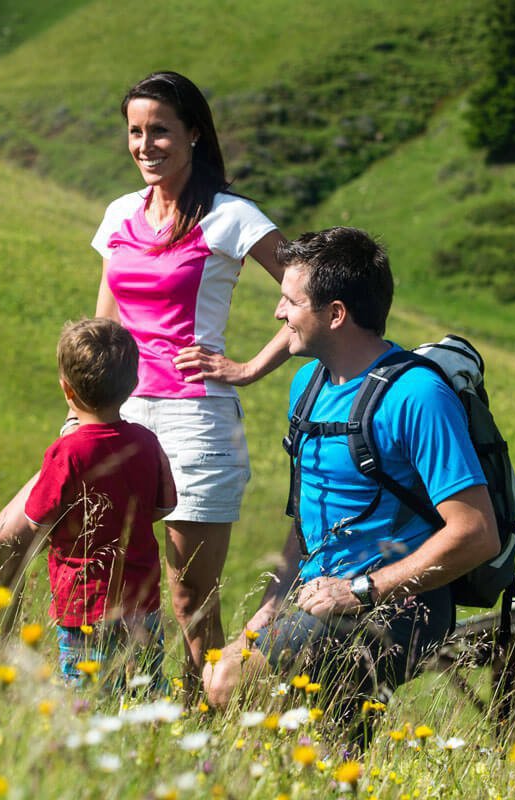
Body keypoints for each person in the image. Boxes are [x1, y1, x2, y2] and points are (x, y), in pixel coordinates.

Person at [0, 71, 292, 680]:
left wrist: (247, 367)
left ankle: (210, 729)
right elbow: (104, 325)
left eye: (160, 131)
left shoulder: (231, 217)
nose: (145, 145)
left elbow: (313, 294)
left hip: (196, 422)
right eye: (135, 131)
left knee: (190, 601)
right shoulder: (121, 213)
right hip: (110, 419)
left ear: (195, 133)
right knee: (1, 544)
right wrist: (77, 415)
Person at [201, 228, 499, 733]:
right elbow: (309, 521)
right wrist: (266, 614)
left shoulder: (417, 396)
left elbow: (476, 533)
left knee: (227, 679)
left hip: (401, 606)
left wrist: (361, 590)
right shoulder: (308, 383)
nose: (278, 314)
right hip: (320, 597)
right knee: (330, 747)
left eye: (290, 302)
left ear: (336, 314)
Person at [0, 319, 175, 688]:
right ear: (132, 386)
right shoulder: (146, 441)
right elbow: (164, 507)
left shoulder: (67, 452)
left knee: (85, 696)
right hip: (142, 604)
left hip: (85, 605)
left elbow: (35, 519)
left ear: (67, 390)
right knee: (143, 688)